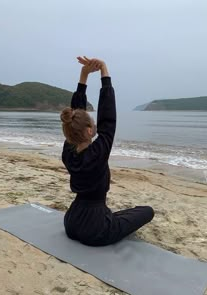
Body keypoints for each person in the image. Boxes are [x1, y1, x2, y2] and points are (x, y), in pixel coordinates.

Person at [60, 56, 154, 246]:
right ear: (88, 130)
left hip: (72, 222)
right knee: (147, 211)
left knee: (120, 214)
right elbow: (108, 118)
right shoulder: (97, 154)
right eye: (92, 124)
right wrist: (104, 71)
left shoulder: (68, 152)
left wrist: (83, 76)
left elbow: (76, 117)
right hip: (97, 229)